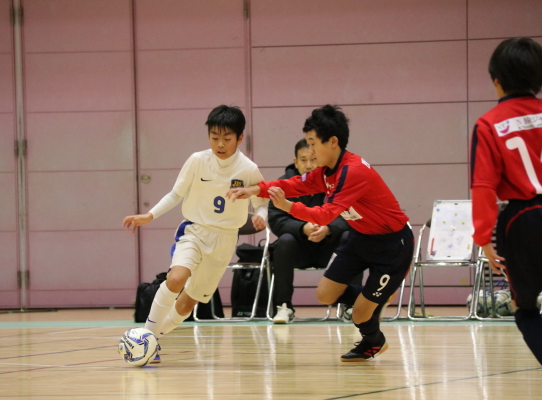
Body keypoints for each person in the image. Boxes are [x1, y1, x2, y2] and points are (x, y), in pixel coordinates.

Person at [227, 104, 413, 362]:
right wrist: (255, 189)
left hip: (392, 246)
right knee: (325, 294)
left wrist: (288, 207)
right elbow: (293, 184)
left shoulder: (352, 171)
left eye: (313, 143)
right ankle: (374, 297)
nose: (311, 151)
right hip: (361, 239)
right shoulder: (327, 171)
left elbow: (325, 215)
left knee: (360, 314)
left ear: (333, 142)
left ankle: (373, 339)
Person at [123, 105, 268, 363]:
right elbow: (176, 194)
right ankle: (146, 338)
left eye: (227, 138)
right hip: (194, 231)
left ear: (239, 138)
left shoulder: (248, 168)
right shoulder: (197, 161)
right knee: (176, 278)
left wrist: (261, 216)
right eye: (214, 137)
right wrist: (150, 215)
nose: (220, 144)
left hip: (224, 240)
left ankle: (153, 339)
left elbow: (261, 201)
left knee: (187, 305)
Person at [470, 37, 542, 365]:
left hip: (521, 220)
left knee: (524, 307)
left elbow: (483, 185)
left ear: (496, 81)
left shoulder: (489, 124)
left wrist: (483, 238)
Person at [269, 138, 357, 324]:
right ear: (295, 162)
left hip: (330, 250)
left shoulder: (335, 181)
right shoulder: (283, 185)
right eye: (303, 160)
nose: (309, 165)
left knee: (352, 238)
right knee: (284, 241)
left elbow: (348, 215)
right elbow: (276, 219)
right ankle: (284, 306)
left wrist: (329, 228)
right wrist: (302, 228)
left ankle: (351, 306)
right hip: (299, 249)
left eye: (313, 159)